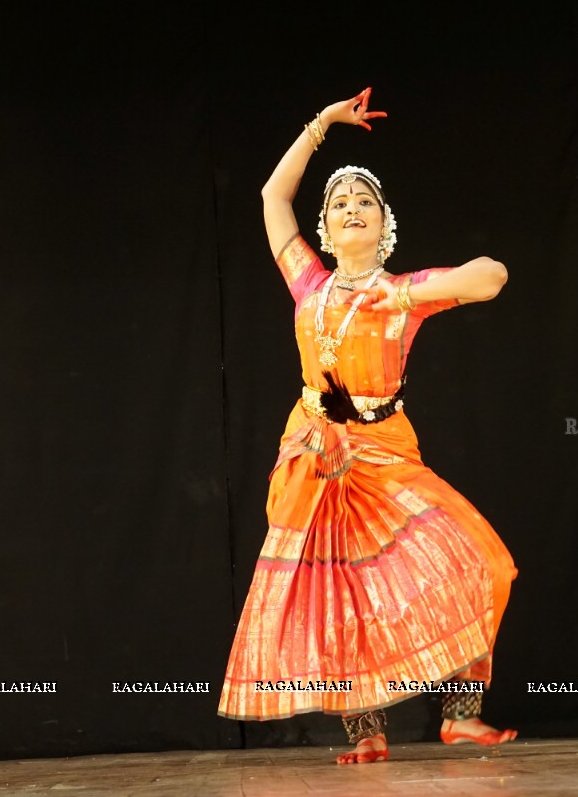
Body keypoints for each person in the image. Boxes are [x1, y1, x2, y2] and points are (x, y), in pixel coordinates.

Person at [217, 88, 519, 765]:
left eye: (364, 201)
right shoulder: (308, 284)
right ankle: (366, 732)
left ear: (384, 222)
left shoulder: (407, 295)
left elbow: (491, 276)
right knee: (339, 590)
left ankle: (460, 714)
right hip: (318, 449)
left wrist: (408, 292)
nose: (351, 208)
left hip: (385, 448)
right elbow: (272, 197)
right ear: (324, 226)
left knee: (483, 562)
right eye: (339, 203)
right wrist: (320, 126)